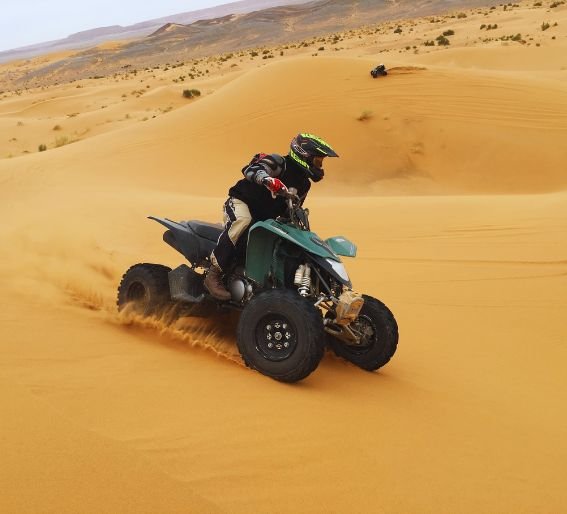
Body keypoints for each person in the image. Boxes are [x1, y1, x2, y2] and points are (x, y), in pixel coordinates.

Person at [204, 133, 339, 300]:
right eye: (318, 160)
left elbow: (291, 210)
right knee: (242, 221)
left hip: (264, 219)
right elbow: (251, 169)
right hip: (241, 203)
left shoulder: (304, 184)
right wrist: (267, 179)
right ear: (304, 155)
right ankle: (213, 274)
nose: (320, 165)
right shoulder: (279, 163)